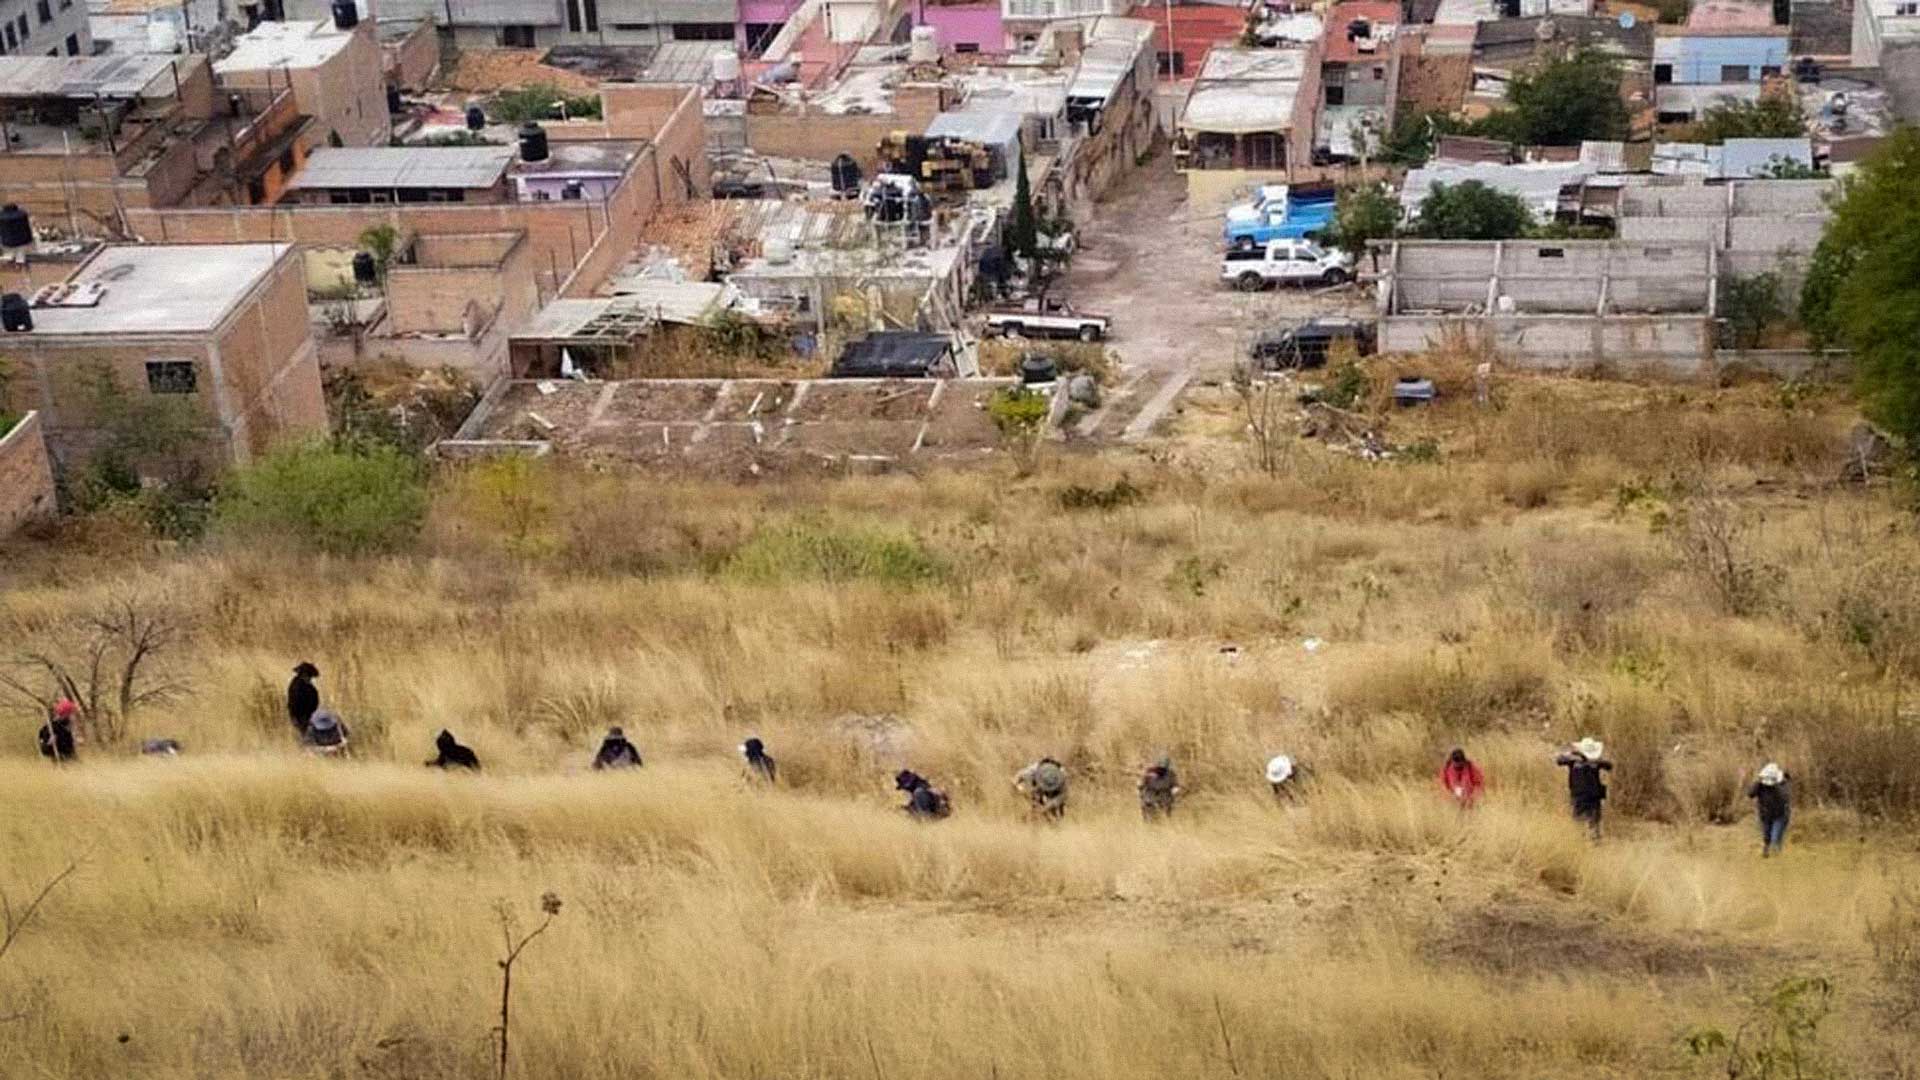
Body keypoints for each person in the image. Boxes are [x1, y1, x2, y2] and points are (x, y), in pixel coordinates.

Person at [1554, 738, 1613, 837]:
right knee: (1578, 821)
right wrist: (1572, 756)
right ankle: (1580, 839)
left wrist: (1596, 761)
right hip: (1579, 794)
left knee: (1594, 821)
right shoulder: (1573, 760)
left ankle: (1594, 839)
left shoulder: (1596, 762)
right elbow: (1559, 760)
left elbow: (1609, 766)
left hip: (1593, 795)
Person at [1748, 762, 1792, 857]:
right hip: (1765, 815)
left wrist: (1777, 786)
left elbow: (1784, 798)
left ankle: (1775, 855)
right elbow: (1750, 794)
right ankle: (1767, 853)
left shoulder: (1781, 785)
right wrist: (1757, 783)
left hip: (1780, 815)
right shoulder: (1759, 786)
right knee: (1766, 837)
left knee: (1775, 838)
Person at [1139, 756, 1181, 821]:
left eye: (1163, 768)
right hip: (1150, 799)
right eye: (1160, 767)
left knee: (1164, 818)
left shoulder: (1170, 774)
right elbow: (1141, 785)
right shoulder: (1149, 773)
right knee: (1150, 819)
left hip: (1164, 799)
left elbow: (1175, 787)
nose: (1161, 770)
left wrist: (1174, 794)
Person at [37, 699, 78, 763]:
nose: (74, 716)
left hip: (73, 763)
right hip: (61, 765)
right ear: (66, 715)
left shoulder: (68, 729)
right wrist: (49, 744)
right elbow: (44, 750)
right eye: (72, 713)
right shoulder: (51, 728)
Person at [287, 662, 320, 739]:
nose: (310, 678)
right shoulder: (298, 686)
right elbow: (295, 704)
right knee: (304, 736)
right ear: (303, 674)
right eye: (309, 675)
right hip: (301, 716)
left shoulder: (305, 685)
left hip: (306, 716)